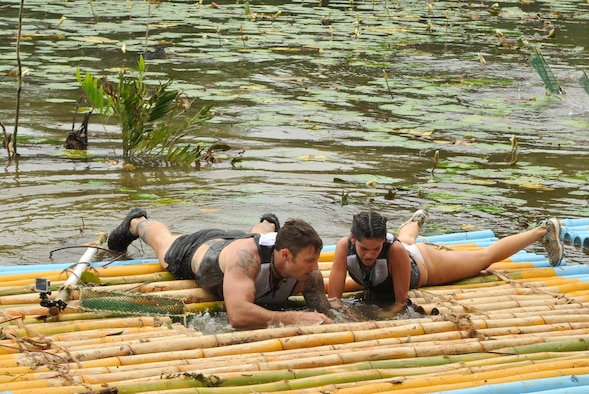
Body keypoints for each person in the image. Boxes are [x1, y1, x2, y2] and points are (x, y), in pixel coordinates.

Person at [107, 208, 333, 330]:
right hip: (203, 250)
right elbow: (238, 316)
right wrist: (296, 318)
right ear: (285, 255)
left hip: (249, 240)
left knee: (257, 237)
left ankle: (267, 224)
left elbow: (326, 314)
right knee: (164, 244)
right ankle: (137, 222)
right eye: (310, 260)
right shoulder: (244, 259)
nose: (316, 267)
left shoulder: (308, 274)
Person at [328, 210, 564, 314]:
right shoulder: (343, 247)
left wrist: (384, 317)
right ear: (352, 239)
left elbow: (400, 302)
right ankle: (416, 220)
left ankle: (541, 230)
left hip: (425, 265)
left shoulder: (395, 251)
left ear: (384, 242)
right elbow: (335, 298)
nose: (369, 255)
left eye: (375, 249)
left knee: (484, 259)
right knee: (407, 240)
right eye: (363, 249)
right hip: (406, 246)